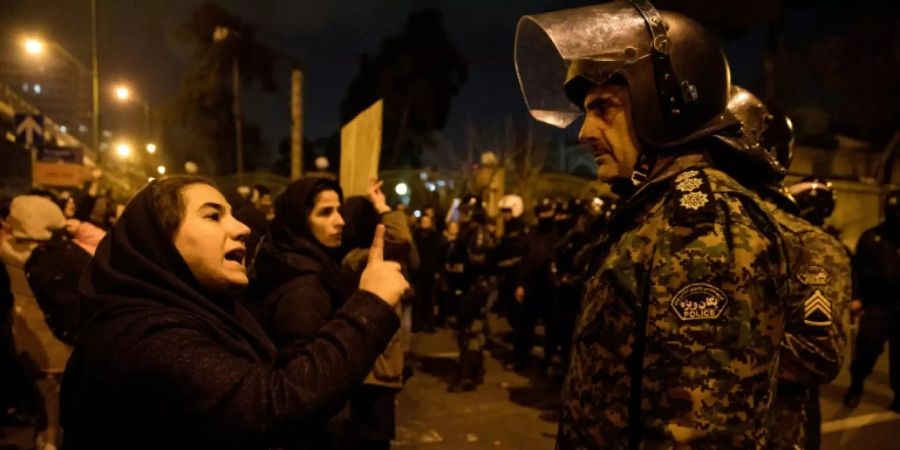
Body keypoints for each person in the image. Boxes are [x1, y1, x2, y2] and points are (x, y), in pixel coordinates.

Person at [515, 1, 790, 446]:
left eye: (604, 108)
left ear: (666, 104)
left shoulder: (705, 229)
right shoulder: (654, 210)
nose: (584, 133)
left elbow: (700, 431)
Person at [60, 177, 408, 450]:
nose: (241, 228)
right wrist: (370, 304)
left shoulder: (197, 309)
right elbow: (274, 404)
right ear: (161, 241)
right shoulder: (144, 337)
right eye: (213, 215)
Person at [713, 86, 851, 450]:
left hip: (766, 431)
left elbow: (818, 354)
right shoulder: (699, 228)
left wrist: (707, 344)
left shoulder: (806, 243)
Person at [340, 181, 416, 449]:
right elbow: (401, 238)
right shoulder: (355, 258)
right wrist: (383, 207)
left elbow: (407, 247)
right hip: (374, 368)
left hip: (378, 364)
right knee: (372, 437)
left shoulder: (356, 256)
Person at [1, 195, 71, 450]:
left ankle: (43, 440)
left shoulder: (7, 249)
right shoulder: (54, 258)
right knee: (58, 407)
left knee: (44, 402)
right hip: (54, 342)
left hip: (23, 334)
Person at [842, 189, 900, 413]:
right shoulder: (871, 238)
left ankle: (899, 395)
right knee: (867, 348)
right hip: (878, 304)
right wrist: (855, 297)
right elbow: (855, 271)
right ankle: (856, 385)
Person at [413, 214, 441, 333]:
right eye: (423, 221)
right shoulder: (416, 237)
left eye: (427, 221)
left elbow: (438, 255)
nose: (425, 223)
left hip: (431, 272)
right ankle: (417, 325)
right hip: (419, 273)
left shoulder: (435, 237)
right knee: (418, 300)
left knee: (430, 300)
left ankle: (430, 324)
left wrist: (437, 270)